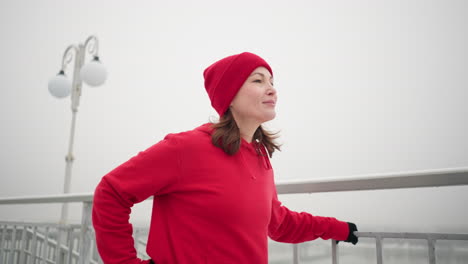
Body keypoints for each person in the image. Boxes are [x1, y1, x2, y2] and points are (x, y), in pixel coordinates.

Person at [92, 52, 358, 264]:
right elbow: (111, 192)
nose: (272, 89)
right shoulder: (186, 148)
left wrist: (337, 228)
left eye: (272, 82)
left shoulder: (260, 157)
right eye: (258, 80)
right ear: (229, 96)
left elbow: (277, 222)